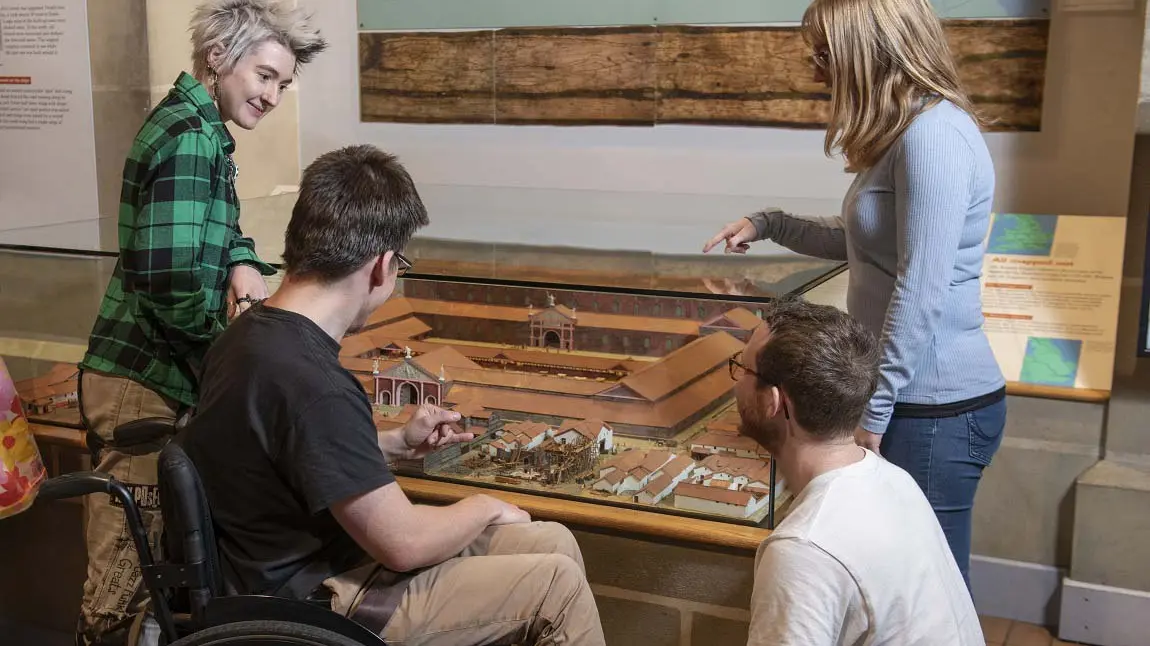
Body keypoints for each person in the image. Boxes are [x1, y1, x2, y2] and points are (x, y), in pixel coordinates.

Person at [178, 143, 606, 645]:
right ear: (382, 266)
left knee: (553, 540)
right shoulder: (313, 380)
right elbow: (402, 544)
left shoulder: (249, 336)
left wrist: (393, 443)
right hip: (321, 598)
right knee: (556, 586)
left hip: (286, 571)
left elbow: (283, 450)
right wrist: (484, 504)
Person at [703, 0, 1005, 589]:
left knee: (927, 590)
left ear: (870, 52)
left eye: (824, 54)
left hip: (934, 407)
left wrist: (876, 408)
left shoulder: (934, 136)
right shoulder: (907, 133)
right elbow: (860, 241)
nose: (816, 71)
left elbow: (922, 288)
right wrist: (768, 223)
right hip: (910, 399)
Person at [74, 2, 327, 644]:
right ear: (218, 58)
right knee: (119, 592)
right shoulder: (191, 135)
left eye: (282, 84)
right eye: (265, 76)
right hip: (140, 382)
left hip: (153, 379)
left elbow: (216, 233)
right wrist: (232, 348)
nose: (272, 96)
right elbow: (170, 280)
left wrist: (242, 261)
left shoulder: (203, 131)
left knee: (152, 584)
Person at [732, 297, 983, 645]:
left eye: (742, 370)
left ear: (774, 402)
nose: (736, 383)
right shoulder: (892, 478)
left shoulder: (804, 550)